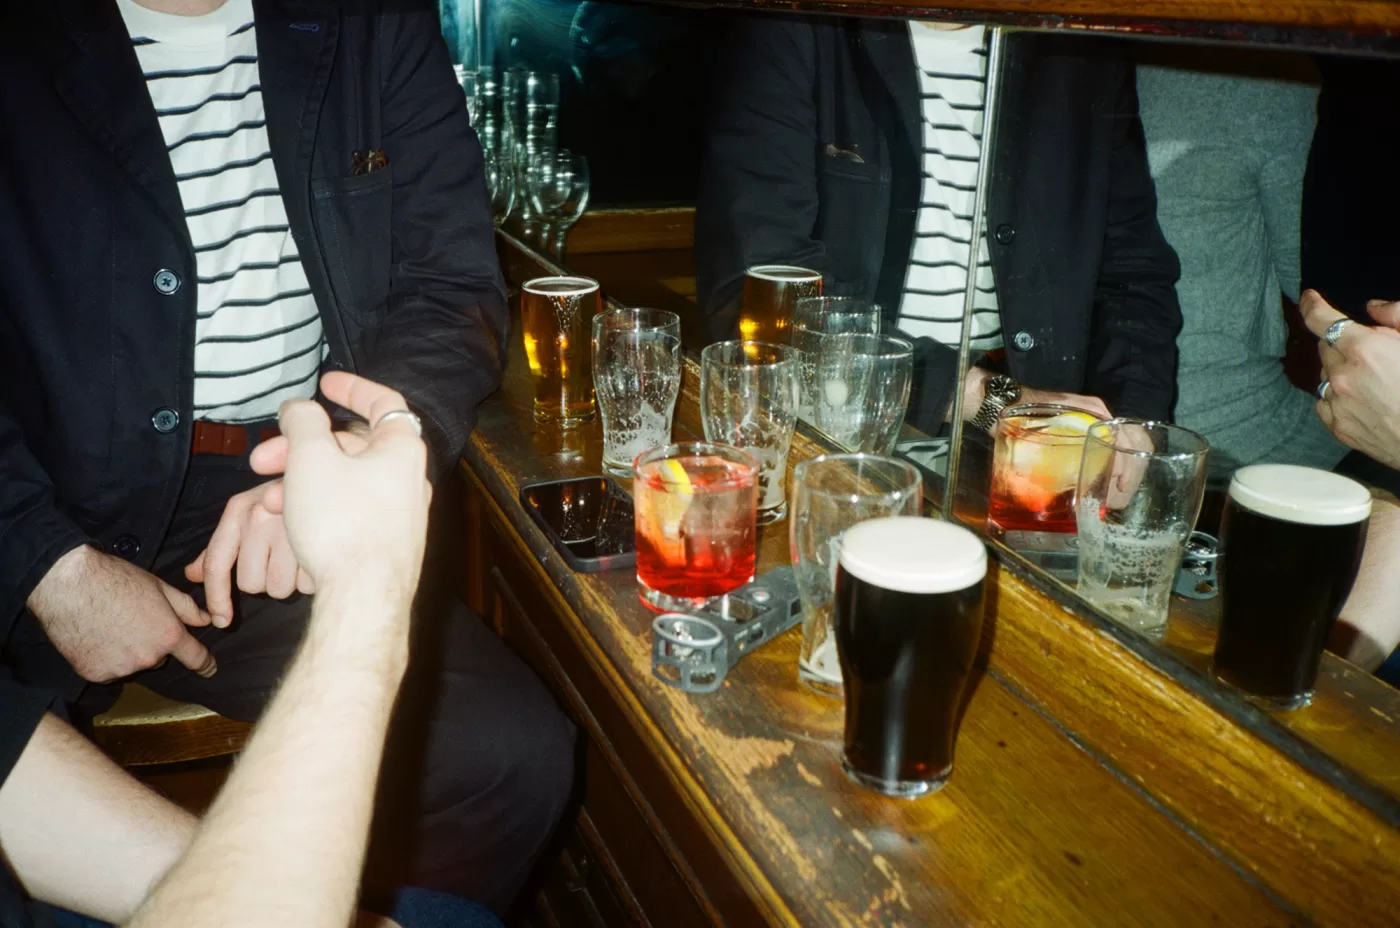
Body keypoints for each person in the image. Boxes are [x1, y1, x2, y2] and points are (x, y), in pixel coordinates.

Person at [0, 0, 573, 912]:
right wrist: (43, 562)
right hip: (39, 492)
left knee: (509, 756)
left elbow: (449, 285)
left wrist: (347, 450)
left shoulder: (370, 18)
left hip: (277, 476)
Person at [0, 375, 499, 928]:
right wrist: (366, 580)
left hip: (267, 494)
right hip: (56, 511)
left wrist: (244, 875)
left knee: (511, 751)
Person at [695, 17, 1182, 430]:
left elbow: (1132, 273)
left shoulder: (1083, 37)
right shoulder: (796, 21)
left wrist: (1134, 423)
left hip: (1038, 432)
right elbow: (756, 282)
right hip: (849, 420)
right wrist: (982, 398)